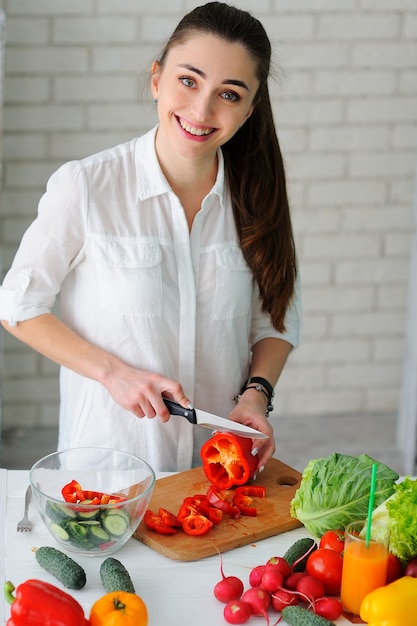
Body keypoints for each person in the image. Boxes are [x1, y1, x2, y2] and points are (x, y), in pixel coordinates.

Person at [0, 1, 301, 474]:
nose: (201, 109)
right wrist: (112, 373)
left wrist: (255, 398)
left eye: (229, 93)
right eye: (188, 80)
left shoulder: (258, 199)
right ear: (157, 78)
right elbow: (18, 305)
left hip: (216, 471)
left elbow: (276, 319)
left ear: (250, 107)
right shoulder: (86, 186)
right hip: (108, 467)